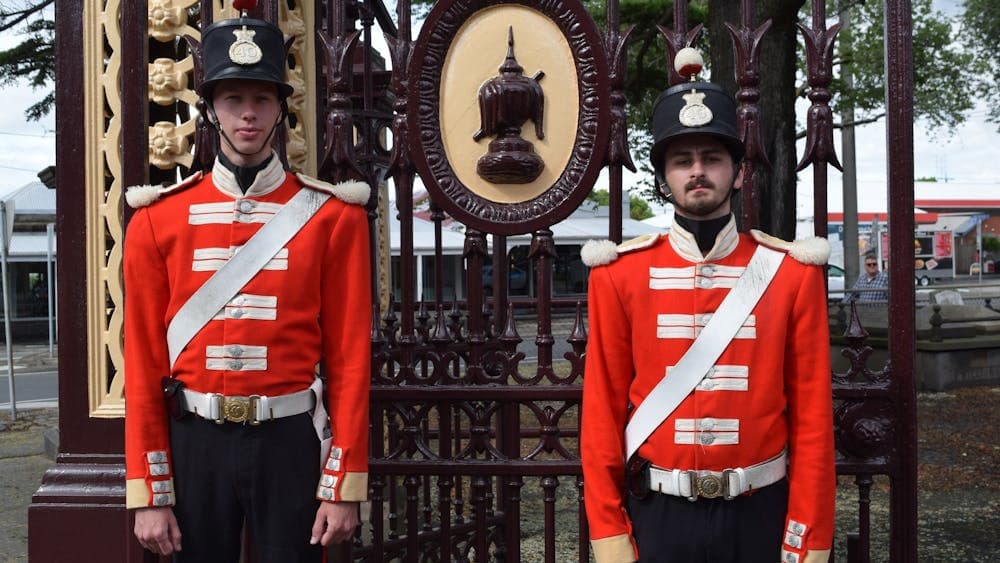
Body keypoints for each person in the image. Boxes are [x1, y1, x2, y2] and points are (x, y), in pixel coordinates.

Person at [123, 8, 371, 562]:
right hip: (194, 443)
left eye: (261, 99)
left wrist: (342, 484)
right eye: (233, 100)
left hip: (290, 443)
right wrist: (150, 492)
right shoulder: (156, 220)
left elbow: (350, 360)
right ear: (210, 109)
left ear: (281, 108)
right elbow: (142, 359)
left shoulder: (334, 218)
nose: (248, 115)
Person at [580, 48, 834, 563]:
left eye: (712, 158)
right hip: (658, 514)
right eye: (682, 160)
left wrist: (805, 539)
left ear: (738, 172)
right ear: (665, 177)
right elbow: (601, 416)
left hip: (760, 513)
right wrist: (609, 532)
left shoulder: (791, 274)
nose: (698, 171)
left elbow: (813, 423)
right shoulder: (617, 275)